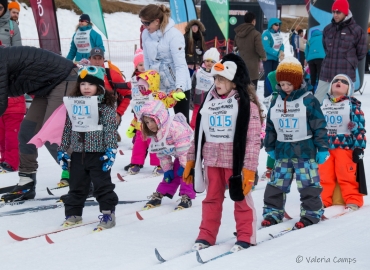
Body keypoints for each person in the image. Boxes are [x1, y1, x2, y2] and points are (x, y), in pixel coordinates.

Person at [184, 53, 262, 252]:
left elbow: (253, 140)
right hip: (211, 160)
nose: (217, 83)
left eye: (222, 79)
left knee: (241, 198)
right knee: (211, 199)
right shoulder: (208, 104)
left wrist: (250, 169)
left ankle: (246, 235)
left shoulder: (246, 106)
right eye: (216, 79)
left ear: (234, 83)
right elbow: (199, 135)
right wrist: (192, 161)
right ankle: (206, 235)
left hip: (235, 163)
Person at [0, 46, 77, 202]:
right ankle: (26, 181)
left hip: (64, 78)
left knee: (50, 134)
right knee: (27, 133)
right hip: (46, 86)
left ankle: (83, 178)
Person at [262, 57, 329, 229]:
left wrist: (322, 148)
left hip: (305, 152)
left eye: (289, 84)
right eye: (282, 84)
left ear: (298, 81)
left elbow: (319, 125)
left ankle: (311, 213)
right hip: (283, 151)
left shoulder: (308, 99)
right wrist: (270, 147)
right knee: (276, 184)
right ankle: (272, 212)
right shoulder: (276, 100)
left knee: (308, 185)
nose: (285, 87)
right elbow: (270, 125)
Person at [58, 66, 118, 231]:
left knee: (102, 185)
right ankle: (73, 213)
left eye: (91, 84)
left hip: (98, 154)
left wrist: (111, 150)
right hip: (78, 154)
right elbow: (68, 128)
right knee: (76, 185)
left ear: (99, 86)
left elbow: (110, 129)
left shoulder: (104, 107)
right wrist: (63, 149)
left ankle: (108, 214)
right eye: (83, 83)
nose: (86, 87)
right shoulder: (74, 105)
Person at [319, 74, 366, 211]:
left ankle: (353, 199)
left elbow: (360, 128)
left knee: (347, 175)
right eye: (335, 81)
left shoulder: (352, 105)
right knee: (324, 175)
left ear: (348, 89)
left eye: (344, 81)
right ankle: (323, 200)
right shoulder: (323, 105)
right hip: (325, 148)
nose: (339, 82)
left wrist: (359, 147)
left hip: (345, 148)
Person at [139, 4, 191, 122]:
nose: (144, 26)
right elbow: (147, 60)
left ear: (157, 21)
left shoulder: (174, 35)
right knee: (158, 121)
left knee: (181, 121)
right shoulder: (145, 34)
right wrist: (149, 81)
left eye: (147, 23)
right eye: (142, 22)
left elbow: (180, 65)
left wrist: (180, 88)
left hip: (177, 84)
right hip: (159, 86)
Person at [140, 100, 194, 211]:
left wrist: (184, 166)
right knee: (172, 173)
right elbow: (162, 153)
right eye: (146, 122)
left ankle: (187, 196)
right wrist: (167, 169)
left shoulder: (175, 128)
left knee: (186, 173)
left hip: (191, 151)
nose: (149, 125)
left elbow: (184, 150)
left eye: (152, 121)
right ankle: (161, 192)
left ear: (160, 118)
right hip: (180, 154)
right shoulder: (157, 134)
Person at [315, 0, 367, 103]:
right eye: (333, 12)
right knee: (318, 102)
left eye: (338, 12)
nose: (335, 14)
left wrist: (350, 62)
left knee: (344, 106)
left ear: (346, 12)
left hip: (345, 75)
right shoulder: (327, 29)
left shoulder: (356, 30)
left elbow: (361, 52)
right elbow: (326, 48)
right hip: (327, 74)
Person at [125, 70, 162, 175]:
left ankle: (159, 164)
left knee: (154, 146)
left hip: (153, 128)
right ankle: (136, 163)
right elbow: (137, 115)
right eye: (139, 88)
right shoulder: (138, 98)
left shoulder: (157, 96)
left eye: (144, 87)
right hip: (140, 129)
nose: (141, 90)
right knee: (138, 146)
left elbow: (165, 106)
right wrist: (133, 126)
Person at [88, 47, 131, 134]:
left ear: (103, 60)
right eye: (94, 58)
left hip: (110, 114)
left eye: (99, 58)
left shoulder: (112, 75)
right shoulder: (84, 74)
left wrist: (119, 113)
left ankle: (110, 133)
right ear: (90, 59)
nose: (97, 61)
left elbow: (128, 94)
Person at [234, 12, 267, 88]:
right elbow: (259, 48)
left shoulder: (238, 33)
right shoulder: (256, 34)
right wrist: (263, 56)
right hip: (252, 66)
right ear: (253, 21)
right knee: (252, 89)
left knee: (242, 89)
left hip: (240, 65)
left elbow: (235, 48)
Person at [189, 47, 219, 130]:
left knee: (208, 118)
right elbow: (192, 85)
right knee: (195, 117)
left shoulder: (216, 75)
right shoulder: (198, 72)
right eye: (207, 60)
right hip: (198, 101)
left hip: (210, 102)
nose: (209, 63)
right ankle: (192, 131)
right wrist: (191, 99)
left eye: (212, 61)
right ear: (204, 60)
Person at [262, 18, 284, 98]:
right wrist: (277, 53)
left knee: (275, 76)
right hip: (267, 58)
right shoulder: (266, 34)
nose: (278, 26)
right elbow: (266, 47)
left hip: (275, 58)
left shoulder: (278, 34)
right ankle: (267, 94)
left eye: (279, 25)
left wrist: (282, 52)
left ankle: (275, 93)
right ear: (271, 25)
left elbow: (282, 44)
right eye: (276, 24)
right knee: (268, 76)